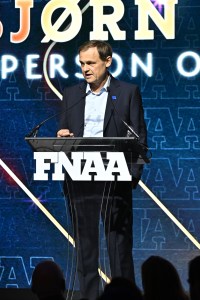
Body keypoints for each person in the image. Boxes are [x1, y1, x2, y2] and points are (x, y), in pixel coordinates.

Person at [57, 40, 147, 300]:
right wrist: (62, 136)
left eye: (91, 63)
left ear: (107, 62)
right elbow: (65, 133)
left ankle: (124, 297)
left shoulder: (128, 92)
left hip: (115, 179)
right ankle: (88, 297)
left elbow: (139, 138)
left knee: (119, 248)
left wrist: (131, 177)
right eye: (82, 64)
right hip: (80, 178)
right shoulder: (72, 95)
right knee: (86, 249)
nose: (85, 69)